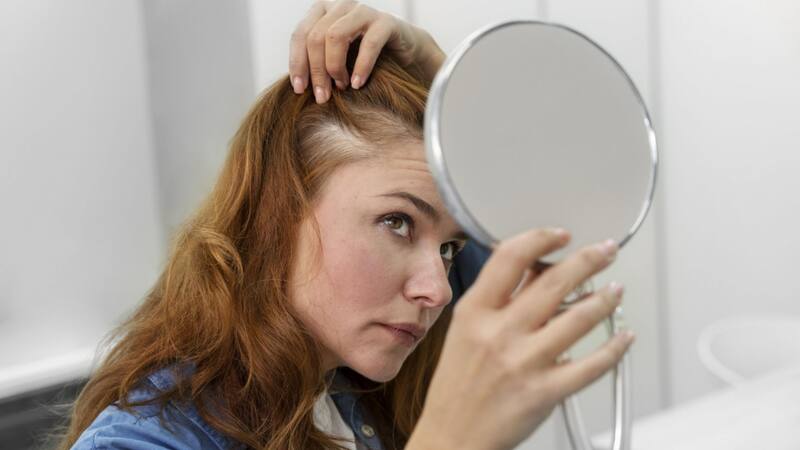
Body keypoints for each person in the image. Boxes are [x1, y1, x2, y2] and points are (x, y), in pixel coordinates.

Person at [60, 2, 634, 449]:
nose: (436, 291)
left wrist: (447, 86)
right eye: (397, 223)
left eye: (451, 249)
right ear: (277, 212)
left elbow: (550, 223)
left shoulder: (346, 379)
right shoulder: (145, 441)